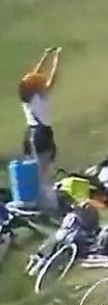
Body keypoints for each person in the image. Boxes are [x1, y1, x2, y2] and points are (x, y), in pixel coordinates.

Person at [18, 47, 61, 211]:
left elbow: (34, 76)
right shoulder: (40, 97)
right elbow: (52, 79)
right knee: (44, 172)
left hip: (30, 133)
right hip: (41, 135)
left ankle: (36, 200)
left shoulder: (27, 98)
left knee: (35, 169)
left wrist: (44, 56)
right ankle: (49, 206)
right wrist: (56, 59)